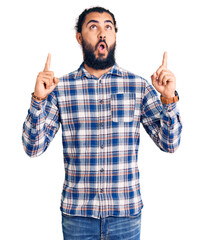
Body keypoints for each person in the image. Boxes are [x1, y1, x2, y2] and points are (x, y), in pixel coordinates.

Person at [22, 6, 182, 240]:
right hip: (78, 217)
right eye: (93, 26)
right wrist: (38, 100)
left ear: (115, 35)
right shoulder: (61, 89)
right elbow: (33, 147)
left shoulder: (138, 86)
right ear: (79, 37)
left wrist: (168, 98)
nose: (102, 33)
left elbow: (170, 143)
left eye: (108, 27)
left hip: (125, 216)